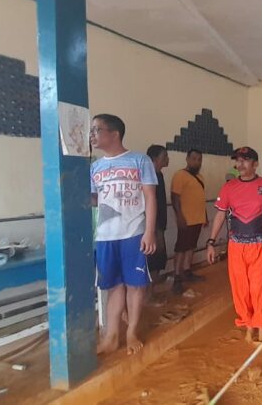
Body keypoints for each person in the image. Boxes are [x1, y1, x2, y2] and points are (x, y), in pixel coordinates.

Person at [90, 114, 157, 355]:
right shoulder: (95, 167)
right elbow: (96, 200)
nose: (92, 135)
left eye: (97, 130)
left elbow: (150, 197)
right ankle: (111, 336)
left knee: (135, 286)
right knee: (113, 287)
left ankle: (131, 332)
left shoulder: (140, 160)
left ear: (115, 133)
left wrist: (149, 232)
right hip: (106, 236)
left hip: (133, 233)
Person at [206, 147, 262, 343]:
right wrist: (211, 242)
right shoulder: (229, 187)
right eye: (238, 161)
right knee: (241, 289)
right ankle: (248, 326)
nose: (240, 164)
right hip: (236, 246)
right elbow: (220, 215)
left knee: (260, 287)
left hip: (260, 246)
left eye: (245, 160)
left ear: (255, 164)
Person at [171, 149, 207, 294]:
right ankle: (177, 277)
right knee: (181, 248)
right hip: (186, 220)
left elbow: (200, 198)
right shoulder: (180, 175)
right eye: (194, 159)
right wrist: (179, 216)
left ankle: (187, 271)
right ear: (187, 159)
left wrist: (204, 216)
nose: (196, 162)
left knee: (191, 247)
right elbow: (175, 197)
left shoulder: (201, 177)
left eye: (199, 159)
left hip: (197, 219)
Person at [146, 145, 169, 304]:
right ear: (155, 159)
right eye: (165, 156)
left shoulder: (158, 175)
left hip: (159, 225)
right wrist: (154, 230)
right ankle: (148, 297)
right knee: (154, 260)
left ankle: (151, 292)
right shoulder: (149, 176)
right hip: (154, 227)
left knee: (160, 259)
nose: (168, 159)